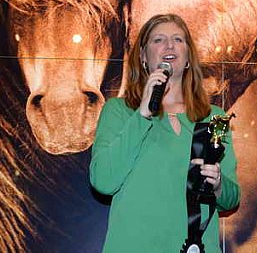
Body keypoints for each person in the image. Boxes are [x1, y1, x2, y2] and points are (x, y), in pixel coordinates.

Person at [90, 13, 240, 252]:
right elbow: (103, 182)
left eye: (178, 39)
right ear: (143, 56)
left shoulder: (215, 118)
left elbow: (232, 199)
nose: (169, 45)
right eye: (158, 40)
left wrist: (219, 185)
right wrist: (142, 114)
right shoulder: (118, 111)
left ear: (188, 57)